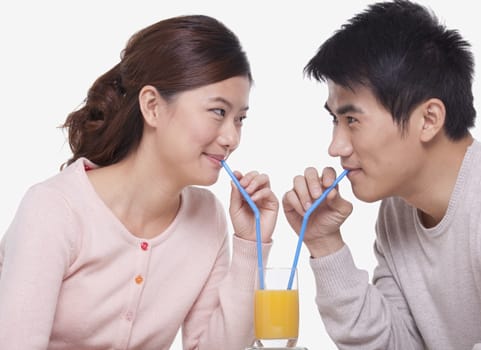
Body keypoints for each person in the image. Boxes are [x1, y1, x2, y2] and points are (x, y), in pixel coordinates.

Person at [0, 15, 278, 350]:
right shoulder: (54, 209)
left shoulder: (210, 217)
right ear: (152, 106)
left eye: (240, 118)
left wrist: (250, 245)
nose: (232, 137)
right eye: (218, 112)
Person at [282, 0, 481, 349]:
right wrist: (325, 243)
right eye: (334, 120)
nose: (336, 147)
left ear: (428, 120)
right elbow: (393, 344)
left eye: (352, 120)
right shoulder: (398, 212)